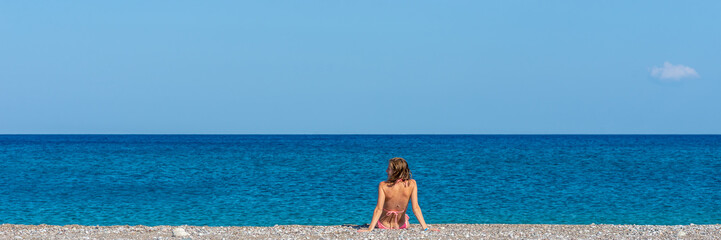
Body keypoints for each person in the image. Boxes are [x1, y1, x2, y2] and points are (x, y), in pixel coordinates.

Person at [358, 157, 439, 232]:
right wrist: (425, 228)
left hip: (383, 225)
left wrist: (370, 229)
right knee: (405, 217)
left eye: (389, 169)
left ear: (395, 172)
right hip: (402, 225)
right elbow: (416, 208)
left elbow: (378, 209)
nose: (386, 171)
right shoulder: (412, 184)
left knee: (381, 215)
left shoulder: (383, 185)